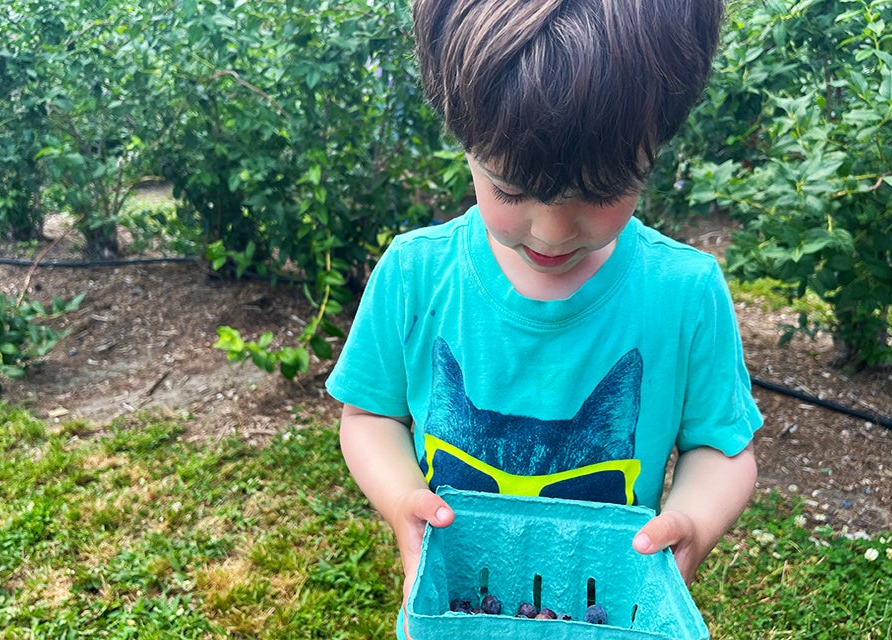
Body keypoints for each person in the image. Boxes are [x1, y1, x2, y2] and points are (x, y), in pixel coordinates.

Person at [325, 0, 761, 636]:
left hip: (608, 614)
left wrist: (693, 519)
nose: (552, 231)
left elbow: (721, 448)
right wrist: (400, 499)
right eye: (510, 188)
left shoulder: (683, 293)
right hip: (458, 615)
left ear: (656, 146)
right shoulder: (416, 276)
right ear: (461, 137)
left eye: (602, 190)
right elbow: (369, 417)